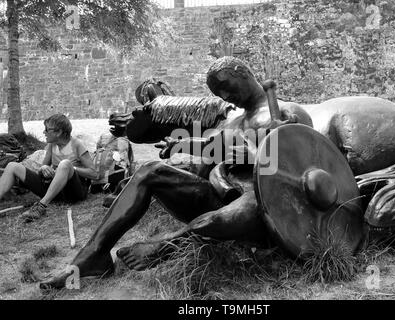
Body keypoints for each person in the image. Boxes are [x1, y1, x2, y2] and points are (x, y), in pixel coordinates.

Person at [40, 56, 313, 289]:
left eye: (226, 87)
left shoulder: (288, 111)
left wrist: (272, 146)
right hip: (221, 194)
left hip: (263, 203)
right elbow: (210, 148)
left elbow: (309, 162)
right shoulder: (233, 121)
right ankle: (93, 256)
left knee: (233, 212)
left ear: (242, 73)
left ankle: (165, 246)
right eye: (219, 94)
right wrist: (179, 144)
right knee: (151, 170)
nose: (225, 96)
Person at [0, 113, 97, 222]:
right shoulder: (52, 145)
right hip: (55, 192)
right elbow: (42, 168)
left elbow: (94, 174)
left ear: (59, 132)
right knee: (12, 166)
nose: (44, 132)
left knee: (65, 164)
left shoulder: (77, 145)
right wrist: (44, 169)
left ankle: (41, 207)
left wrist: (71, 168)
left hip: (73, 193)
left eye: (47, 129)